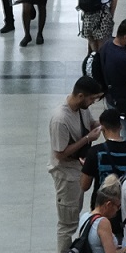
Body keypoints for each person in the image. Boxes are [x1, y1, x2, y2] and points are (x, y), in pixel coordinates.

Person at [49, 78, 105, 242]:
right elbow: (60, 153)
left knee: (76, 210)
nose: (93, 102)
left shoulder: (81, 109)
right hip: (66, 174)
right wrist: (88, 138)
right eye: (92, 99)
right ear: (81, 96)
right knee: (67, 224)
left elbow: (90, 123)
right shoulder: (60, 119)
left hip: (78, 169)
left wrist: (104, 123)